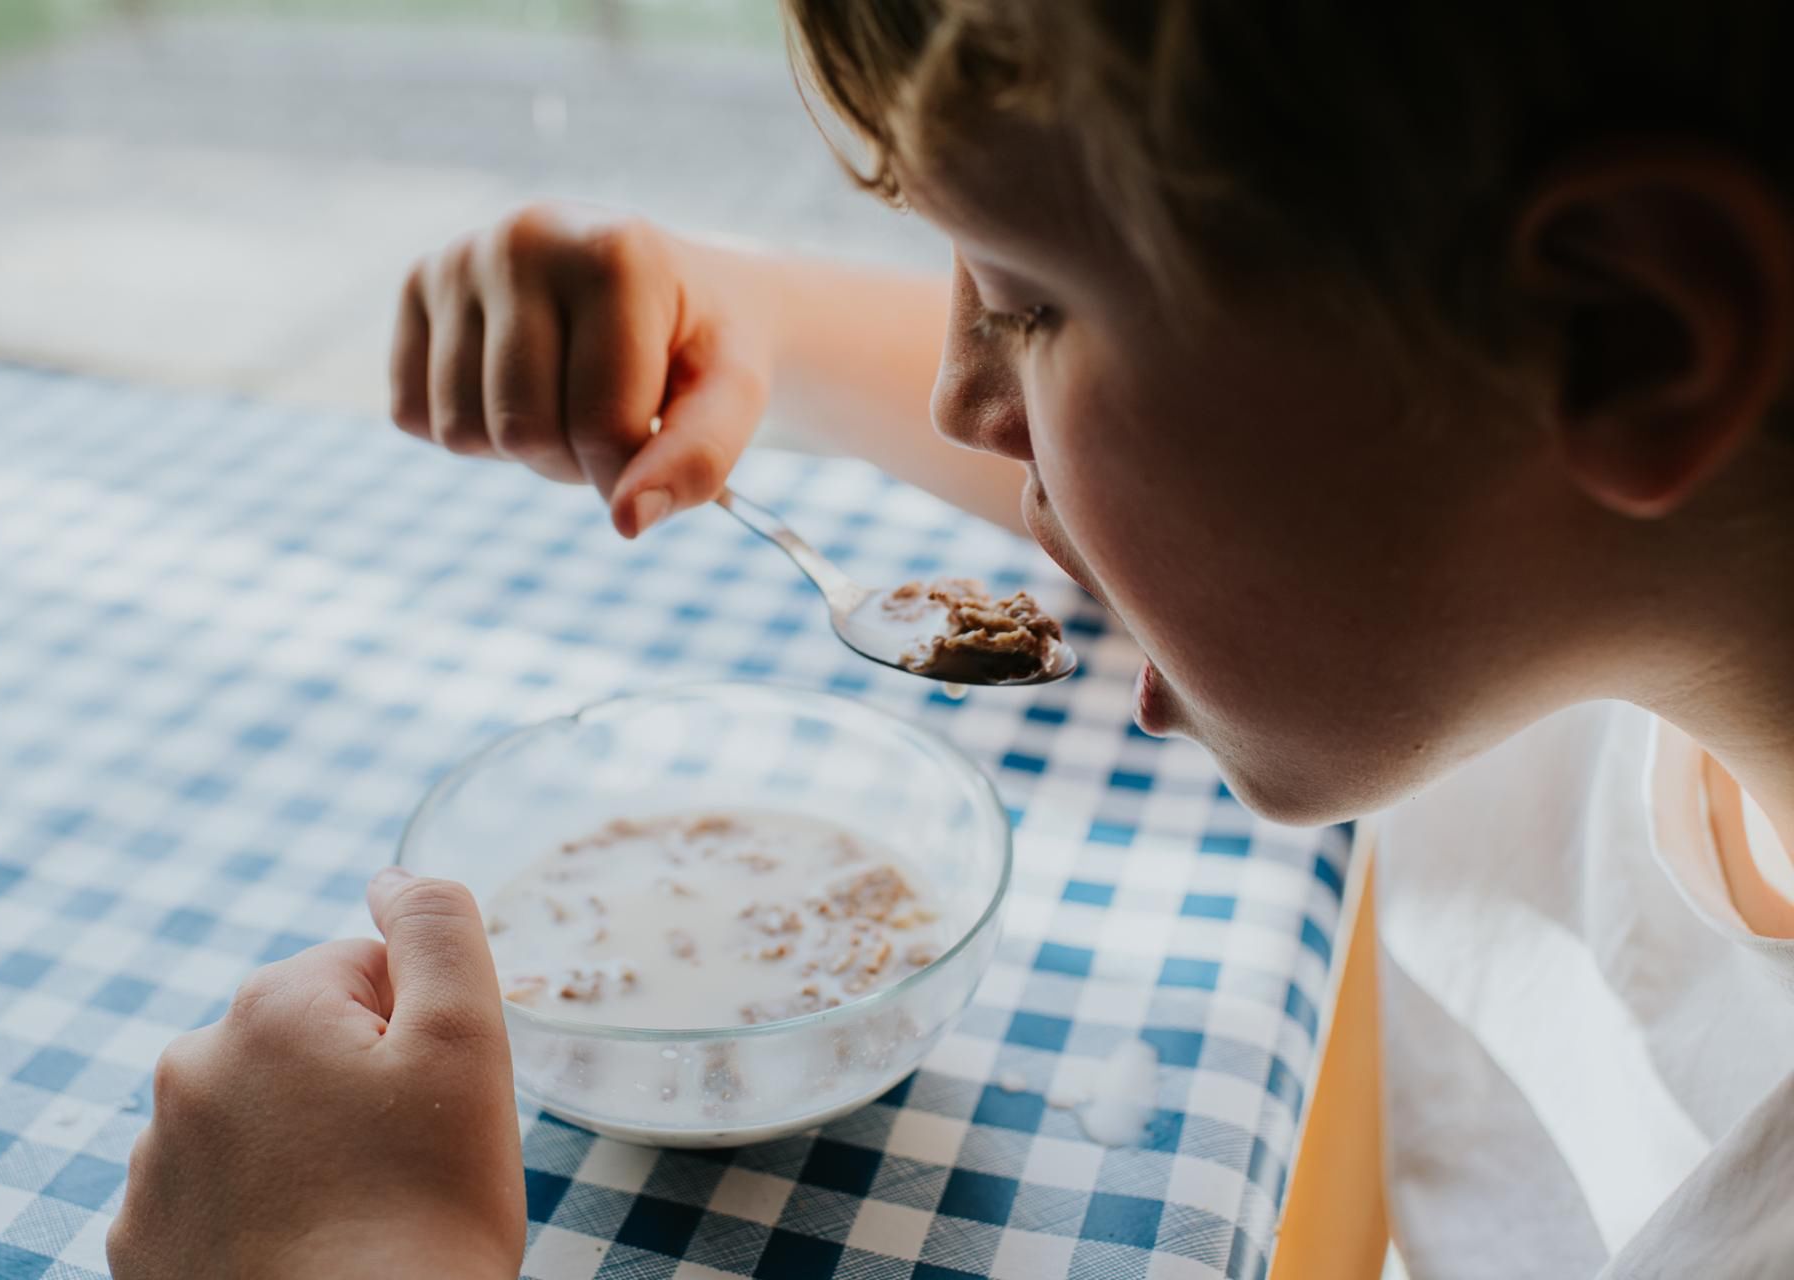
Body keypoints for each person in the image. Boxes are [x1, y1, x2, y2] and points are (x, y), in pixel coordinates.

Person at [109, 3, 1794, 1277]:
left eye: (1028, 308)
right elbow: (1270, 454)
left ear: (1624, 337)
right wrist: (734, 306)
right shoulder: (1580, 578)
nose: (957, 398)